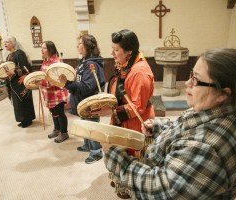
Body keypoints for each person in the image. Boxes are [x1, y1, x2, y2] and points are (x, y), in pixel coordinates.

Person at [102, 48, 236, 199]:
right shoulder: (213, 108)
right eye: (191, 74)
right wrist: (159, 126)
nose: (187, 83)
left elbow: (160, 190)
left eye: (196, 79)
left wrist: (115, 156)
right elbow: (188, 126)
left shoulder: (208, 149)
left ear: (223, 94)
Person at [94, 29, 155, 198]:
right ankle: (119, 179)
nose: (112, 54)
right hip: (123, 117)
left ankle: (129, 187)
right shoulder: (127, 63)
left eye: (116, 50)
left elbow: (138, 107)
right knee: (116, 148)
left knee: (129, 155)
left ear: (128, 51)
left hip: (136, 121)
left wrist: (111, 110)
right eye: (112, 49)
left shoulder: (139, 71)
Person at [59, 34, 106, 164]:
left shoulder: (91, 64)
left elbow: (86, 87)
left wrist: (67, 83)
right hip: (83, 101)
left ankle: (96, 152)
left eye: (80, 43)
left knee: (91, 126)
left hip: (90, 101)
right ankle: (87, 145)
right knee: (85, 124)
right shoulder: (83, 61)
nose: (77, 46)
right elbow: (79, 80)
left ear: (88, 46)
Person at [39, 41, 69, 143]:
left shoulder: (56, 63)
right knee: (54, 112)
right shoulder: (45, 61)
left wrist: (42, 83)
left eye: (44, 48)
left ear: (50, 49)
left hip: (57, 93)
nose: (41, 50)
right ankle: (57, 129)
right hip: (48, 93)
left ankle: (64, 133)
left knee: (60, 113)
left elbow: (57, 80)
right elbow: (43, 75)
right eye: (41, 48)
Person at [4, 36, 35, 128]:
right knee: (17, 103)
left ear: (13, 44)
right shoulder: (9, 56)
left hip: (21, 82)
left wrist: (13, 72)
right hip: (13, 83)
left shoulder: (19, 53)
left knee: (24, 101)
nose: (5, 44)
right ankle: (22, 119)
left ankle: (27, 120)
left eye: (7, 42)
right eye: (4, 42)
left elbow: (25, 68)